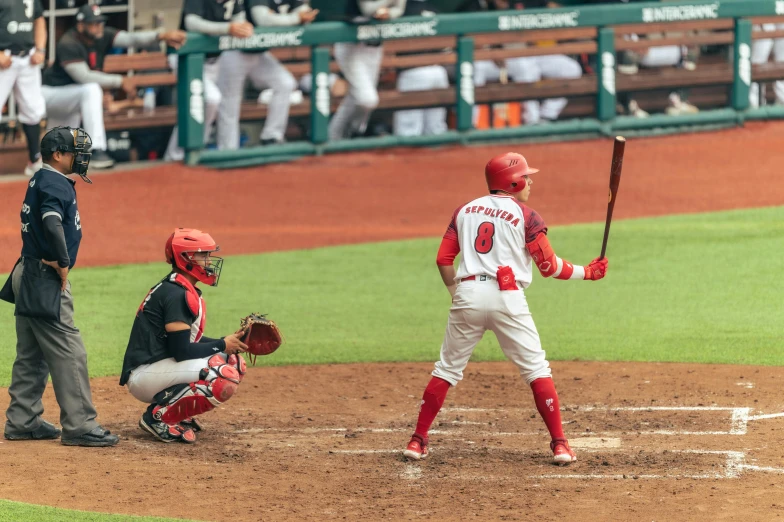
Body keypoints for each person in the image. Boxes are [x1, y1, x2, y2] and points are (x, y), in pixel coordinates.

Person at [402, 151, 609, 464]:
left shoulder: (464, 210)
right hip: (507, 296)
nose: (530, 181)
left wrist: (455, 292)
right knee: (537, 369)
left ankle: (417, 441)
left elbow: (443, 259)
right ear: (512, 181)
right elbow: (550, 267)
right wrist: (588, 271)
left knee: (446, 369)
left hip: (467, 294)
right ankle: (560, 445)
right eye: (526, 176)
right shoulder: (527, 217)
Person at [0, 126, 118, 447]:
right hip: (43, 276)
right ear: (58, 155)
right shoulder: (54, 183)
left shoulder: (41, 177)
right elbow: (52, 221)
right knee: (69, 349)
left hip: (26, 270)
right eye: (75, 152)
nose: (81, 157)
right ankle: (80, 425)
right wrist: (62, 261)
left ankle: (23, 420)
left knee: (32, 352)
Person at [120, 228, 249, 444]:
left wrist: (227, 344)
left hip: (159, 366)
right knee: (222, 374)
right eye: (204, 255)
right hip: (145, 374)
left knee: (233, 361)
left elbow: (186, 341)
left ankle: (177, 411)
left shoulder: (178, 287)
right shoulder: (176, 294)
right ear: (186, 258)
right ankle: (158, 418)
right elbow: (181, 351)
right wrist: (221, 345)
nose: (209, 261)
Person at [42, 5, 186, 170]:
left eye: (99, 22)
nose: (98, 27)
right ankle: (96, 149)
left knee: (57, 157)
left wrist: (160, 35)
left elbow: (131, 39)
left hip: (71, 97)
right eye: (93, 23)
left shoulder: (102, 35)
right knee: (91, 89)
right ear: (81, 25)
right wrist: (121, 81)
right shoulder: (68, 42)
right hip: (50, 96)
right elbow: (84, 77)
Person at [216, 0, 318, 149]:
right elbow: (263, 19)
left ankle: (272, 137)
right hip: (235, 51)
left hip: (258, 53)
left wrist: (291, 18)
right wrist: (294, 19)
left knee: (285, 83)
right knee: (230, 103)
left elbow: (306, 15)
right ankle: (226, 150)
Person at [164, 0, 254, 161]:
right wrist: (227, 28)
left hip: (214, 60)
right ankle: (178, 154)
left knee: (208, 105)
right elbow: (191, 23)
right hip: (186, 57)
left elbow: (240, 18)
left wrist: (242, 26)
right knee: (210, 99)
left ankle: (189, 150)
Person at [328, 0, 407, 140]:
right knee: (367, 99)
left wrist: (389, 13)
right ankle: (356, 131)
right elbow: (367, 9)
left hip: (373, 47)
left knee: (355, 98)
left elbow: (399, 9)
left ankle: (333, 137)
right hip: (351, 44)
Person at [0, 0, 47, 176]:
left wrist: (41, 49)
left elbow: (39, 20)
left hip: (27, 57)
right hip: (3, 56)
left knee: (33, 109)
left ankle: (35, 160)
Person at [392, 0, 449, 137]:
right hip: (438, 71)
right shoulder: (433, 9)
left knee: (408, 133)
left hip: (413, 72)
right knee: (436, 130)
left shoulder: (400, 10)